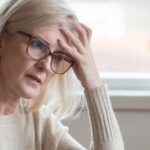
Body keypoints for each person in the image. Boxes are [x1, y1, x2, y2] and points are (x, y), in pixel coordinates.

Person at [0, 0, 124, 149]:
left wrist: (93, 83)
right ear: (2, 38)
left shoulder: (38, 121)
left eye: (58, 57)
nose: (46, 65)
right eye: (38, 45)